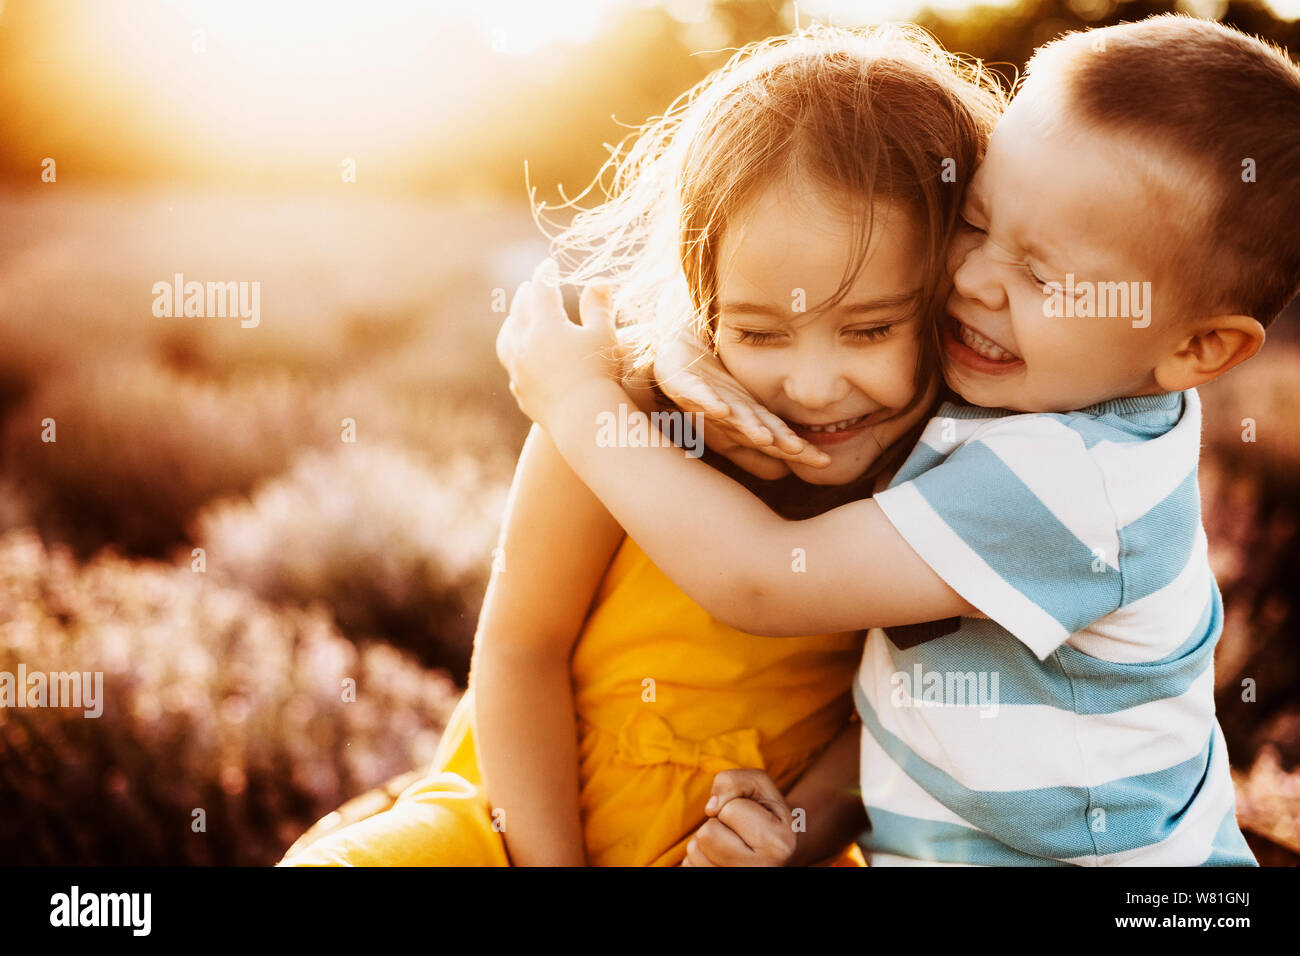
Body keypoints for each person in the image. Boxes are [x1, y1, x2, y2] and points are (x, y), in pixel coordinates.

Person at [497, 14, 1300, 865]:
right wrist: (795, 830)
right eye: (979, 222)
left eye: (1040, 274)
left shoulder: (1069, 483)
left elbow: (759, 582)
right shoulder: (1035, 397)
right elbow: (913, 711)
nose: (973, 280)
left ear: (1198, 349)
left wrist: (579, 401)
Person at [279, 23, 1002, 866]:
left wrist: (791, 833)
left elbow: (896, 728)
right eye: (760, 333)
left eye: (870, 328)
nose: (811, 386)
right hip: (511, 825)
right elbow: (520, 650)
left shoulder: (946, 480)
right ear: (703, 292)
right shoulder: (619, 413)